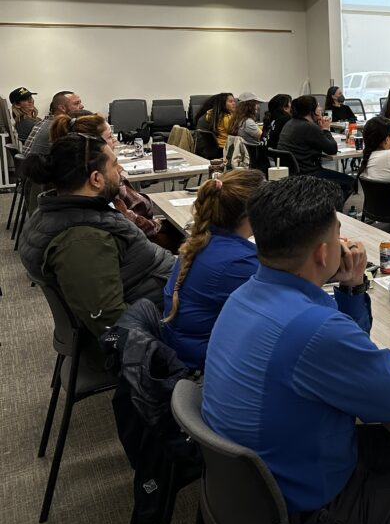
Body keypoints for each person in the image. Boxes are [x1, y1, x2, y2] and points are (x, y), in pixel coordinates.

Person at [202, 176, 390, 524]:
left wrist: (352, 289)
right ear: (323, 253)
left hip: (255, 486)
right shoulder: (313, 327)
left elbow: (346, 349)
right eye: (337, 235)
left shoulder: (245, 295)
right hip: (306, 505)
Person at [18, 133, 174, 364]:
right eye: (113, 164)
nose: (120, 169)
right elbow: (108, 325)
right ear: (96, 179)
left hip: (158, 297)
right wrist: (157, 355)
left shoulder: (65, 211)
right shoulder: (82, 240)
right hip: (160, 321)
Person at [161, 170, 265, 370]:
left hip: (186, 352)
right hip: (205, 368)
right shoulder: (237, 262)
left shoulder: (207, 242)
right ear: (255, 212)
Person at [48, 113, 181, 251]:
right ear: (97, 142)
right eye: (110, 137)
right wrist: (159, 224)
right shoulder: (104, 186)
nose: (115, 142)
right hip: (148, 242)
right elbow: (133, 223)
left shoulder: (73, 186)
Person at [278, 95, 353, 200]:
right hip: (309, 174)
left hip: (294, 172)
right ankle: (329, 210)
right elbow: (332, 149)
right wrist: (326, 129)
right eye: (318, 106)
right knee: (350, 182)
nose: (321, 109)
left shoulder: (291, 123)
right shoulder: (308, 127)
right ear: (311, 110)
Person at [24, 90, 84, 156]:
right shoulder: (59, 128)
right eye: (76, 103)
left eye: (80, 103)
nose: (82, 106)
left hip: (31, 163)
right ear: (62, 108)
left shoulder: (45, 122)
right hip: (40, 165)